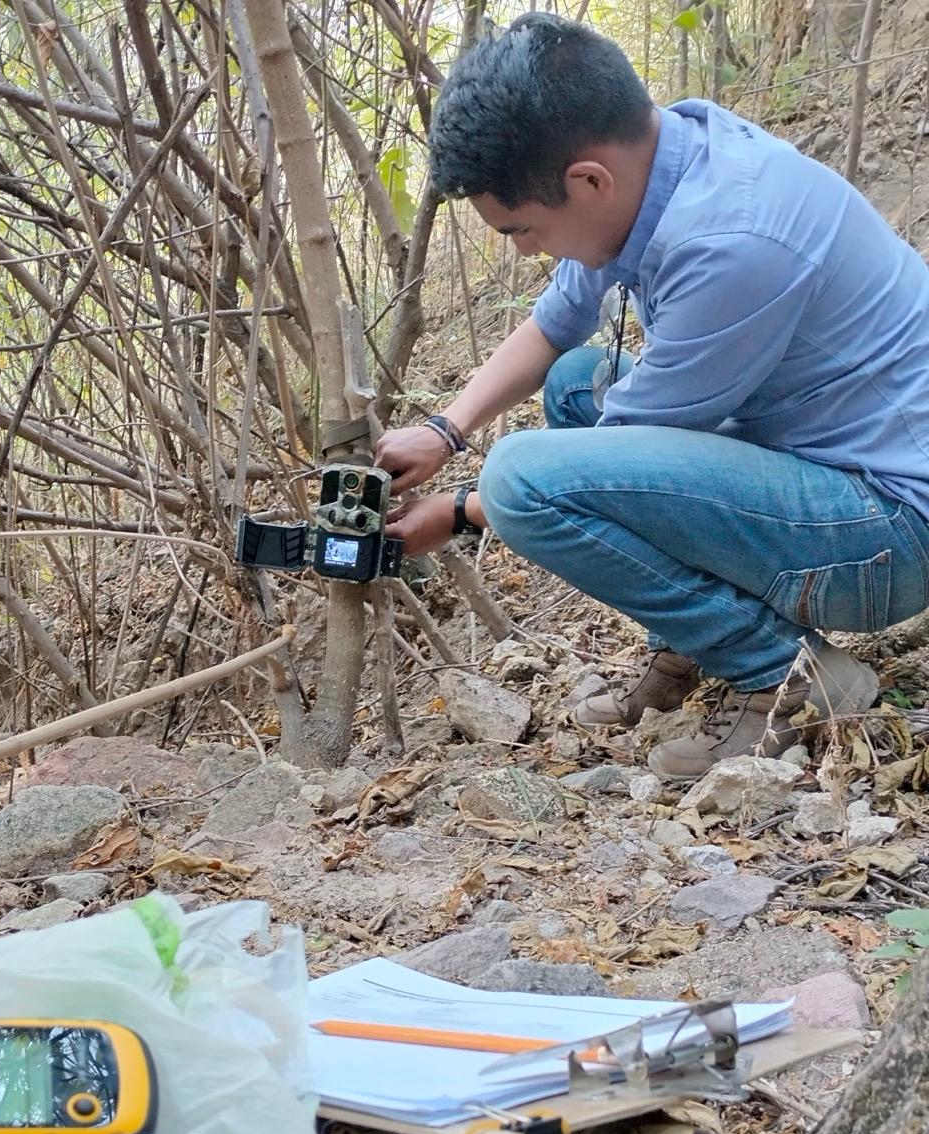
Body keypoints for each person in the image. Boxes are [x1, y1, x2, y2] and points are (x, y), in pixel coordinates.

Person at [375, 15, 929, 780]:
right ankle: (699, 640)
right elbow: (556, 325)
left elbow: (612, 460)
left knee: (521, 481)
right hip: (823, 466)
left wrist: (462, 512)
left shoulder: (733, 241)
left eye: (522, 228)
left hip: (889, 532)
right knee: (576, 386)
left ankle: (787, 676)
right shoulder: (661, 161)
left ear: (588, 181)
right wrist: (446, 428)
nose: (523, 249)